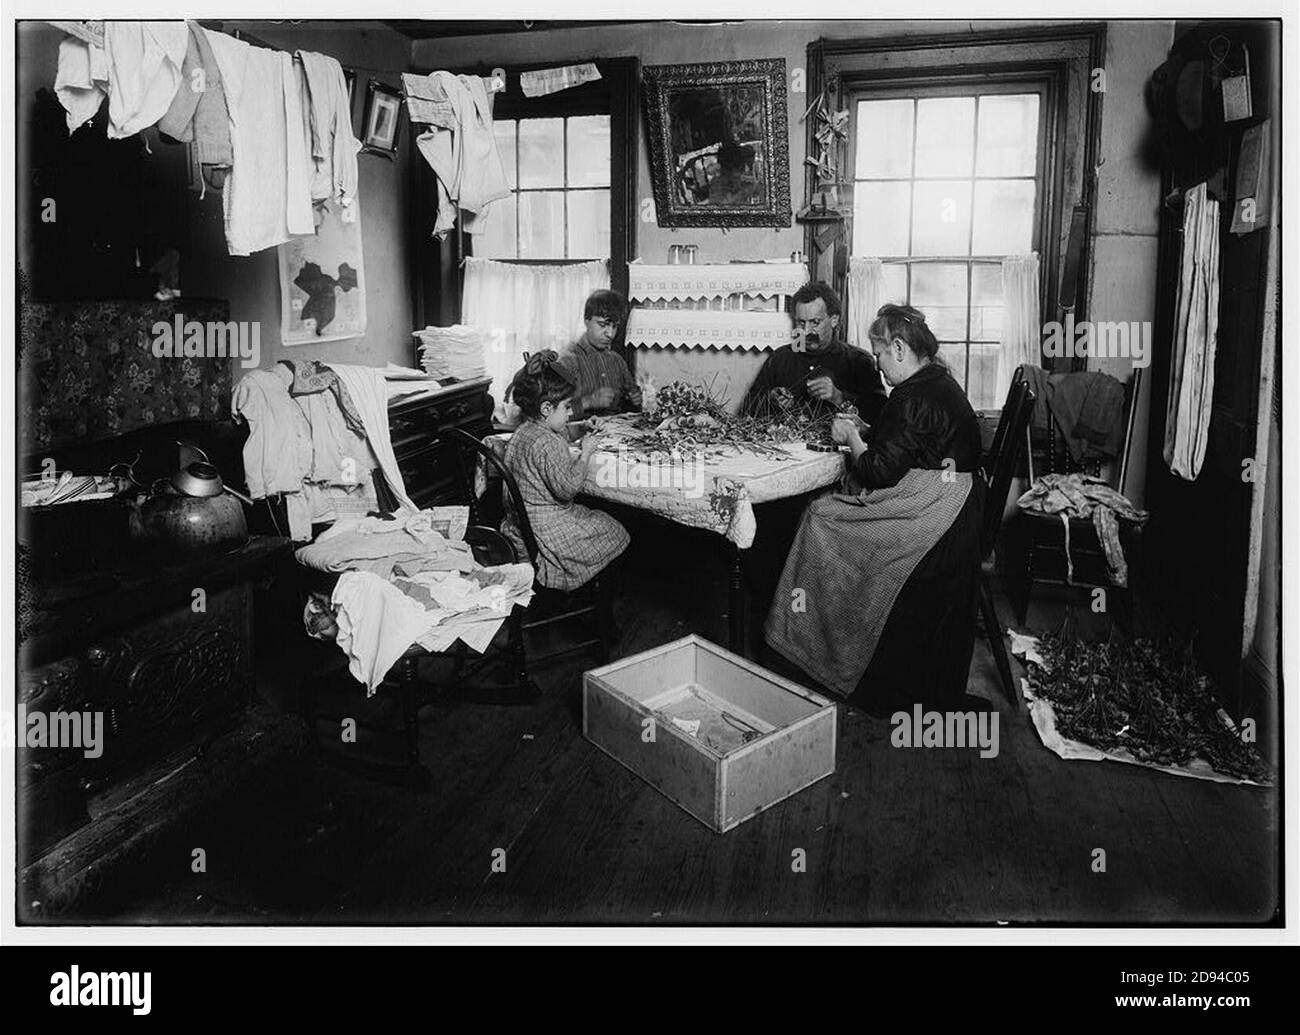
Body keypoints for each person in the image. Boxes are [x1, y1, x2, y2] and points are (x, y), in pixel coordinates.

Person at [763, 303, 987, 716]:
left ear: (900, 349)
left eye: (882, 353)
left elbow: (877, 471)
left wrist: (850, 433)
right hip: (953, 500)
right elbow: (905, 443)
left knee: (821, 518)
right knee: (828, 512)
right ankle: (818, 639)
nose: (880, 365)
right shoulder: (934, 382)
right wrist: (868, 431)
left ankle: (819, 648)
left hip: (938, 516)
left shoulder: (915, 395)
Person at [501, 351, 630, 592]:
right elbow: (568, 488)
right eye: (567, 407)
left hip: (523, 523)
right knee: (617, 531)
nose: (571, 412)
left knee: (599, 519)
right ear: (547, 408)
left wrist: (582, 428)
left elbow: (561, 431)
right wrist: (587, 452)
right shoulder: (546, 444)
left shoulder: (527, 429)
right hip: (546, 532)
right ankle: (599, 606)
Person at [740, 281, 886, 424]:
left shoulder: (859, 361)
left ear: (834, 320)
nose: (806, 331)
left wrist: (839, 397)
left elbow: (880, 416)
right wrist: (771, 400)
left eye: (815, 322)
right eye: (801, 322)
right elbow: (746, 410)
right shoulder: (780, 358)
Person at [557, 289, 642, 420]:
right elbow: (549, 417)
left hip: (615, 434)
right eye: (603, 325)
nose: (610, 334)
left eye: (615, 326)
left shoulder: (617, 360)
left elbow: (631, 402)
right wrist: (589, 402)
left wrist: (634, 399)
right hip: (579, 435)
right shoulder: (567, 360)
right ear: (587, 320)